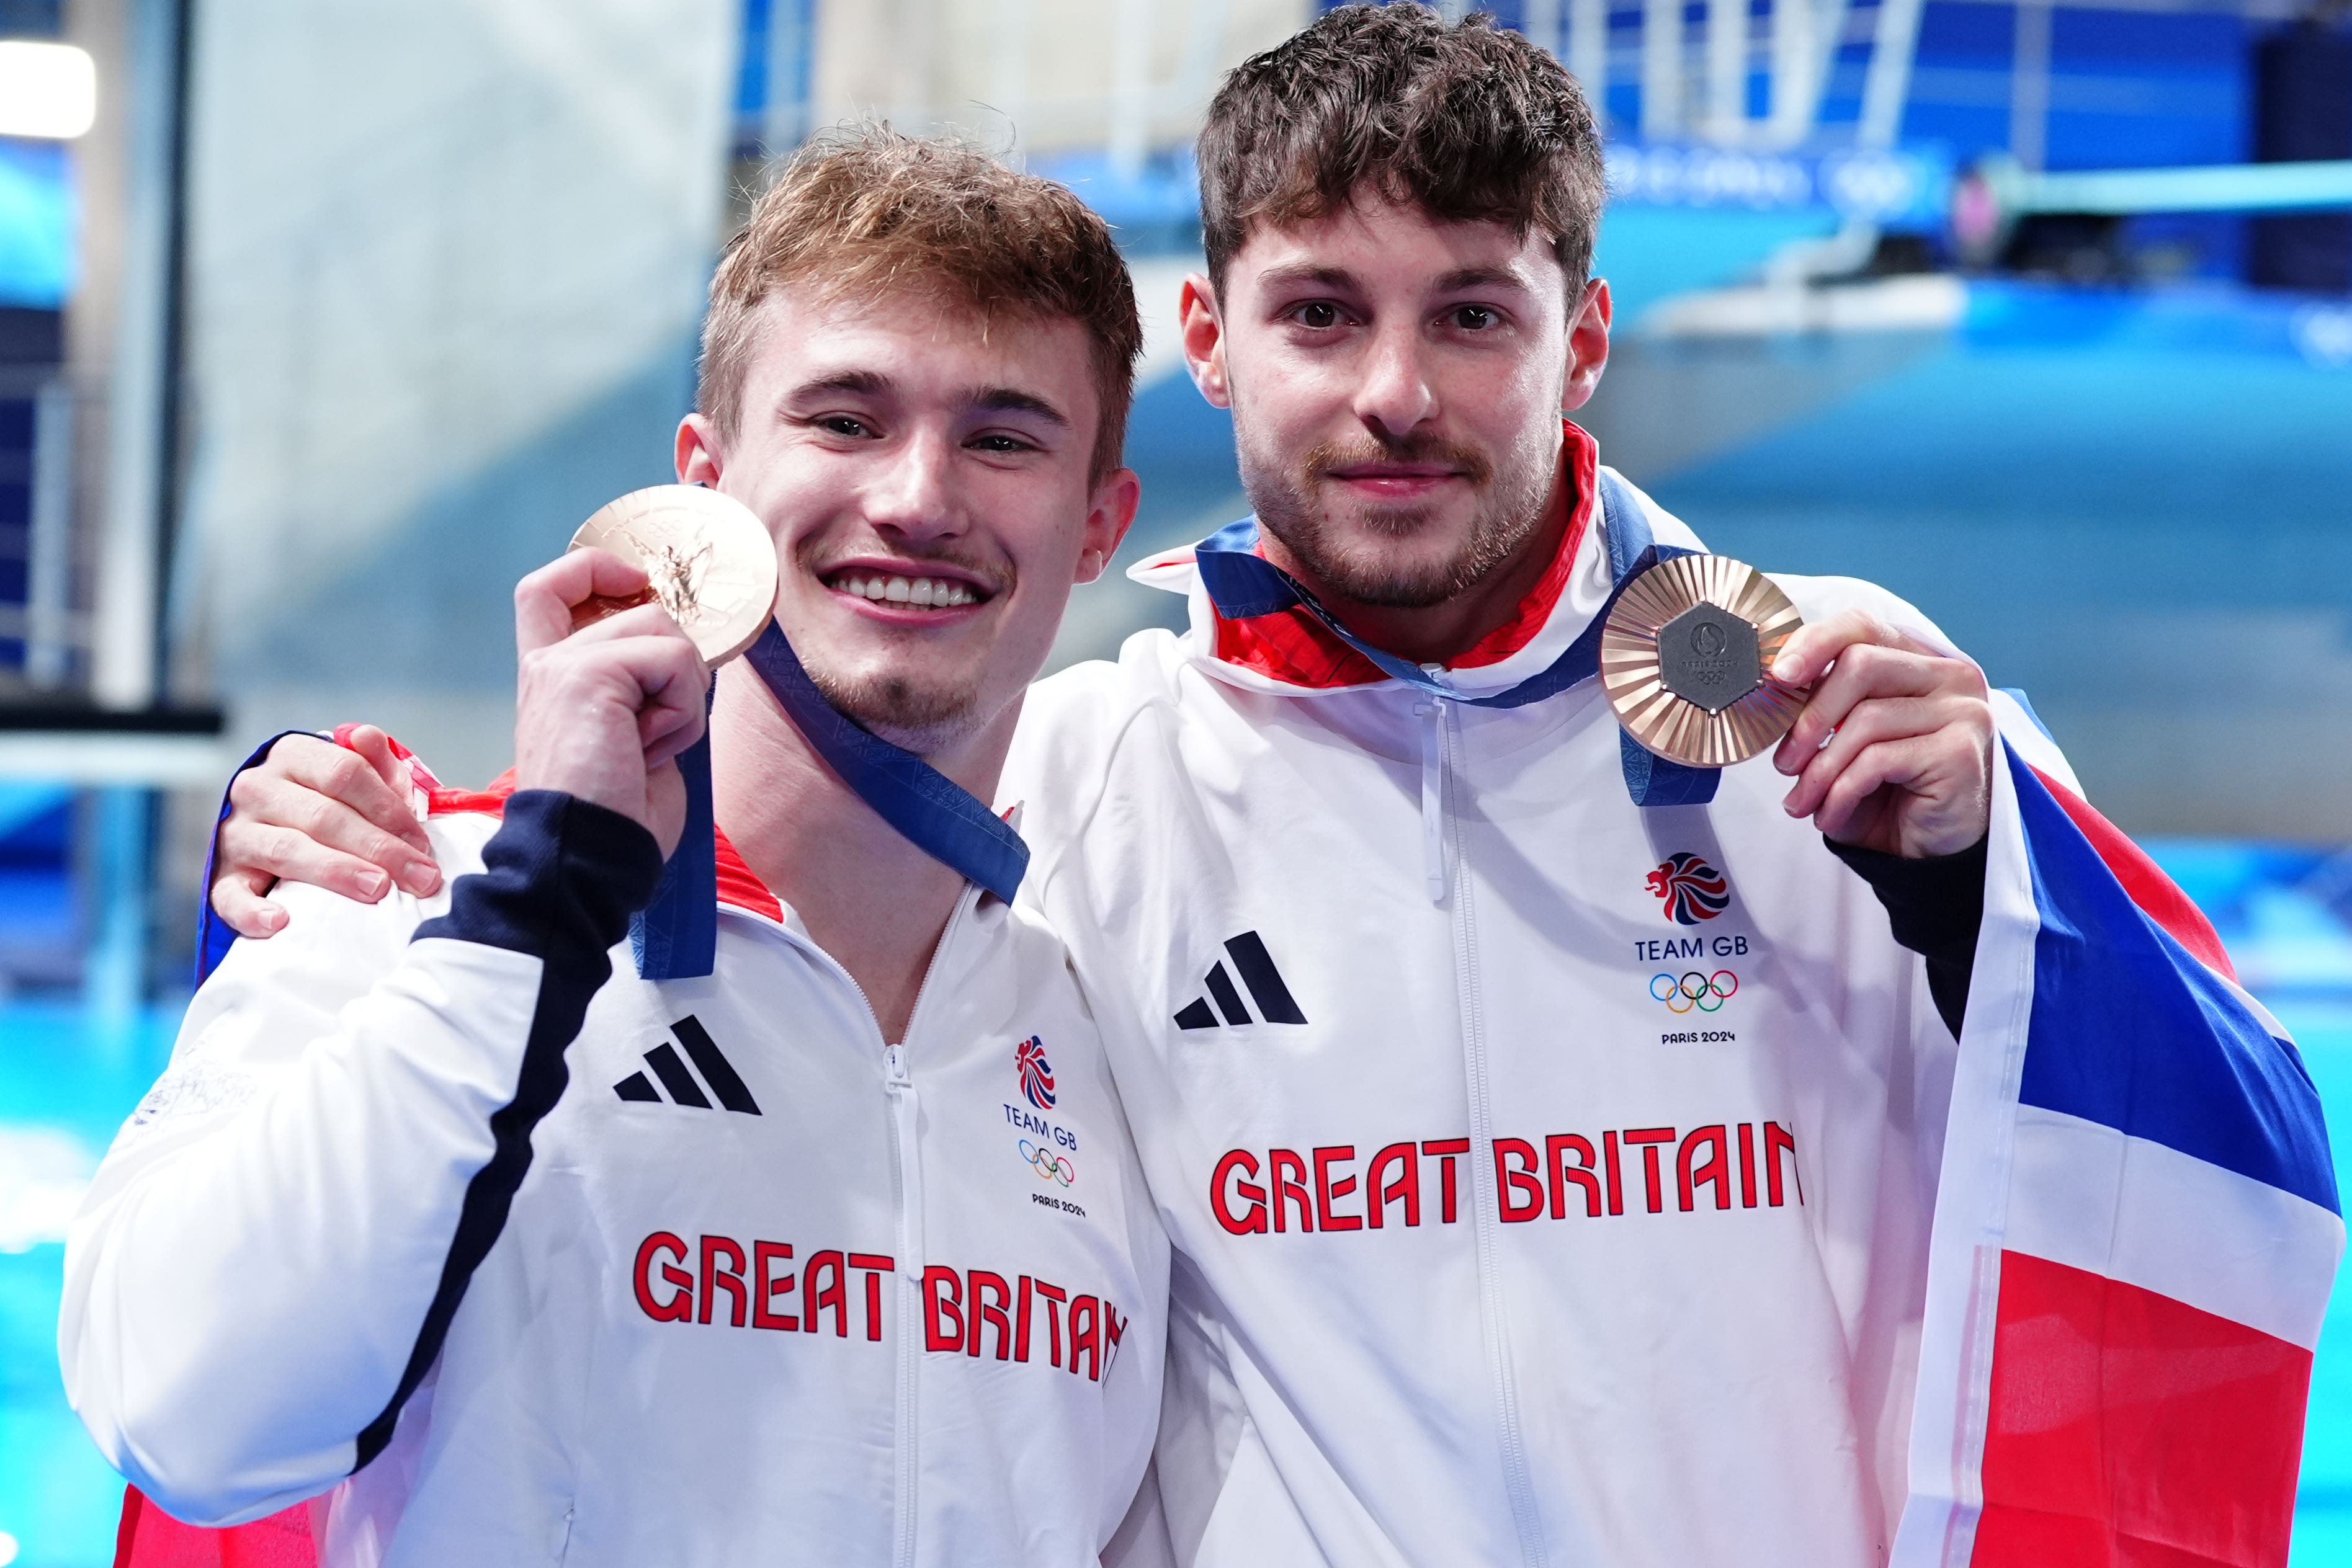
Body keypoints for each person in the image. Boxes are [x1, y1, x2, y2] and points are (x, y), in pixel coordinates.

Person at [192, 7, 2341, 1567]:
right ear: (1214, 339)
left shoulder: (1841, 712)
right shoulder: (1094, 765)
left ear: (1585, 336)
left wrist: (1986, 877)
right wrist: (359, 832)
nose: (1397, 393)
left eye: (1472, 316)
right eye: (1325, 311)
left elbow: (2229, 1153)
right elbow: (769, 807)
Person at [61, 130, 1170, 1567]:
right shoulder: (409, 897)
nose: (916, 497)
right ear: (705, 483)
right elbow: (184, 1414)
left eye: (1004, 436)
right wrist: (537, 912)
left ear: (1100, 525)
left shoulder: (1097, 1034)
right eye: (844, 419)